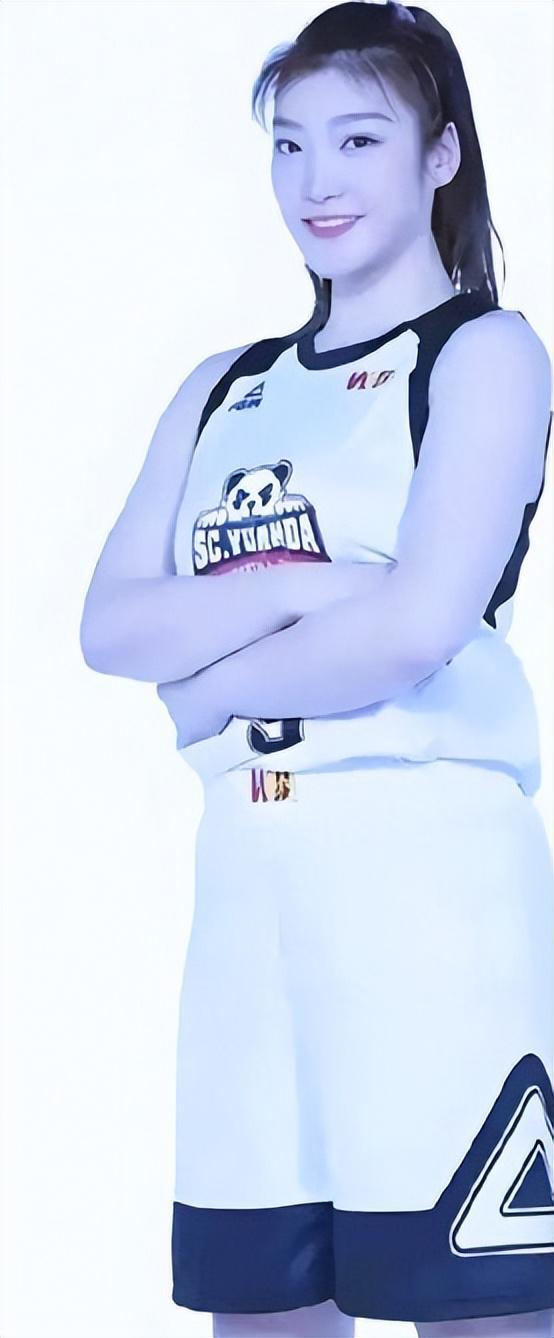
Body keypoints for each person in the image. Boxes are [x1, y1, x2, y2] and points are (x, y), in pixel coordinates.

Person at [80, 3, 554, 1335]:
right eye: (288, 145)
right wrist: (313, 586)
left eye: (357, 140)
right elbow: (110, 627)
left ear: (440, 155)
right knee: (259, 1303)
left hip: (427, 885)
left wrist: (211, 670)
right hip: (247, 886)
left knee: (478, 1302)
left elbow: (414, 629)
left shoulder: (483, 354)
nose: (314, 181)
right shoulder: (222, 386)